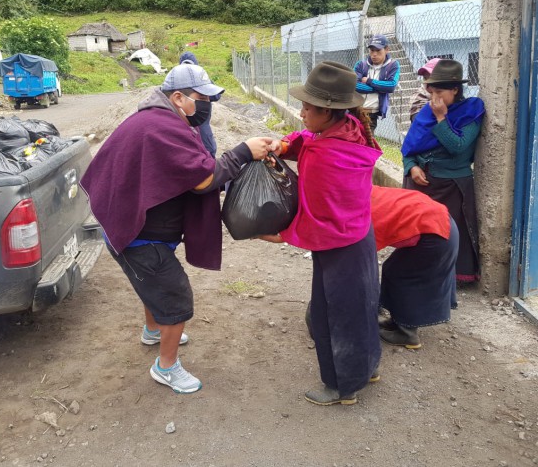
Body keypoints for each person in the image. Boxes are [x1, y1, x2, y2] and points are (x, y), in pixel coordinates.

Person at [79, 63, 274, 394]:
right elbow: (203, 180)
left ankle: (153, 330)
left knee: (153, 285)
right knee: (174, 296)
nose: (207, 106)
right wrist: (242, 152)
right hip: (138, 237)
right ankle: (165, 367)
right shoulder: (161, 127)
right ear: (179, 97)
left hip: (140, 228)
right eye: (202, 98)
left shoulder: (162, 119)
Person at [260, 61, 383, 406]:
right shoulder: (351, 131)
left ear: (329, 111)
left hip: (338, 245)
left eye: (307, 108)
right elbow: (308, 138)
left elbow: (318, 215)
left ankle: (341, 387)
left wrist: (282, 234)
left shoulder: (326, 158)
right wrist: (286, 146)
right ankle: (367, 367)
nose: (301, 113)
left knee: (332, 314)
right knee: (362, 306)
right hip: (359, 237)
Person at [401, 59, 485, 283]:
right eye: (431, 91)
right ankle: (418, 271)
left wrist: (441, 117)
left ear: (455, 90)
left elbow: (458, 147)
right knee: (419, 230)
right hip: (421, 183)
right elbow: (410, 146)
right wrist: (412, 167)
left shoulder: (470, 113)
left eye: (439, 91)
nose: (433, 97)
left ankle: (452, 277)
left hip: (452, 185)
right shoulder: (426, 112)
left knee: (449, 231)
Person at [371, 186, 459, 349]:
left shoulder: (366, 214)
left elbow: (364, 262)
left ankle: (407, 334)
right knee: (392, 269)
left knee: (403, 277)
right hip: (442, 224)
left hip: (436, 234)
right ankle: (399, 320)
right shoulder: (369, 193)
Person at [354, 34, 401, 133]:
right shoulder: (361, 65)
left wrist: (369, 81)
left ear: (387, 49)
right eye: (372, 50)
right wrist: (378, 88)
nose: (374, 54)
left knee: (366, 143)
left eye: (378, 50)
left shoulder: (393, 65)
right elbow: (353, 85)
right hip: (354, 110)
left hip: (371, 114)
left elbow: (391, 86)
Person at [178, 51, 221, 157]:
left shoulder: (175, 81)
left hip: (181, 129)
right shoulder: (200, 80)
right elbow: (216, 96)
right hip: (201, 127)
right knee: (208, 154)